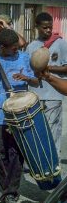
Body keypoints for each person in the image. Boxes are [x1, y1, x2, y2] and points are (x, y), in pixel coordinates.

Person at [0, 29, 39, 203]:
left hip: (21, 112)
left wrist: (26, 77)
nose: (15, 51)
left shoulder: (24, 57)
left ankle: (11, 192)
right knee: (2, 152)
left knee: (17, 154)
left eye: (17, 48)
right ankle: (6, 188)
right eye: (12, 49)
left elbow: (36, 82)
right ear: (2, 47)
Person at [26, 12, 67, 159]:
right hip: (35, 95)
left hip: (54, 94)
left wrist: (47, 68)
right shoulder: (32, 47)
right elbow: (28, 70)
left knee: (53, 130)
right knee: (37, 129)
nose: (48, 30)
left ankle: (53, 161)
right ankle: (40, 161)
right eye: (45, 28)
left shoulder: (61, 44)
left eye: (50, 27)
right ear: (36, 27)